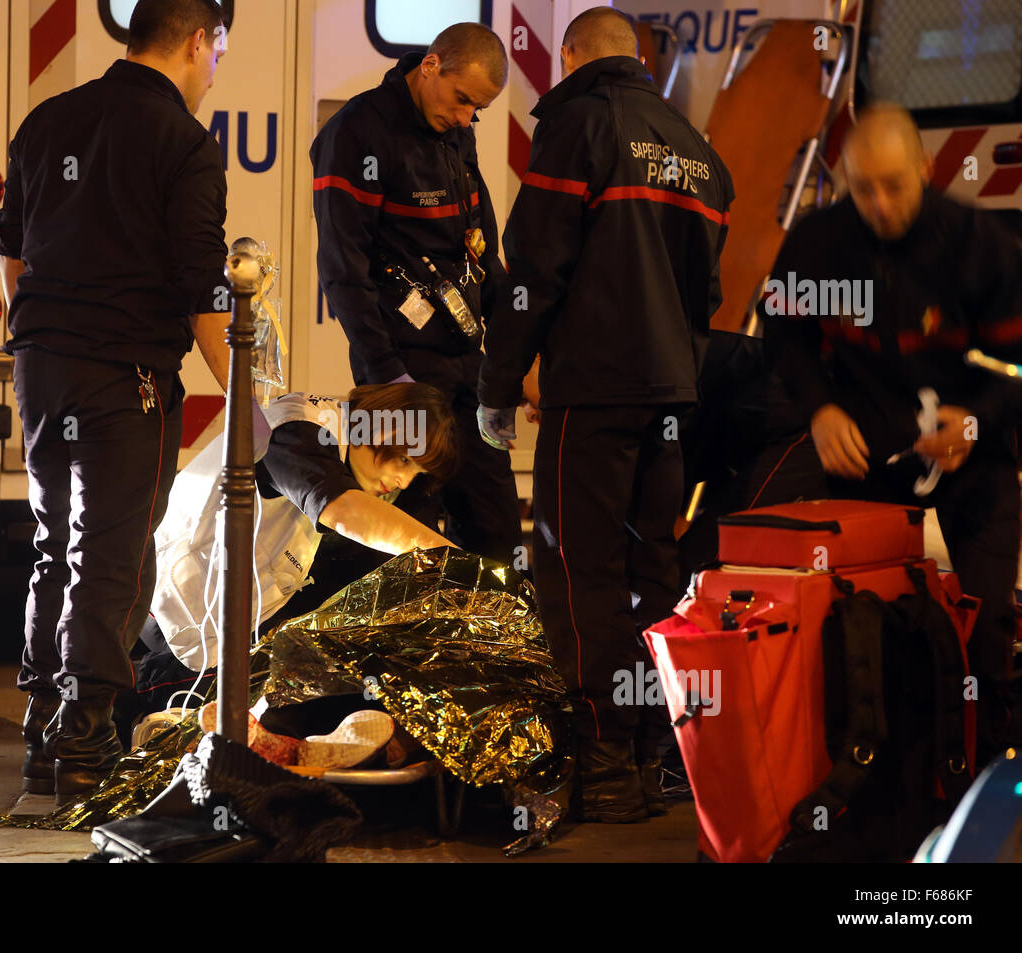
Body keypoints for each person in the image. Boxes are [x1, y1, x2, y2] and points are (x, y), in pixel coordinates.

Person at [476, 6, 734, 823]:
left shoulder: (579, 127)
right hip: (672, 401)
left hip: (591, 396)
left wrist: (498, 380)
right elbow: (708, 296)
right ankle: (661, 752)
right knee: (652, 571)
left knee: (577, 572)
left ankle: (605, 764)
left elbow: (533, 276)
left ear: (574, 54)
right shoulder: (699, 154)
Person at [0, 0, 234, 805]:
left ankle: (41, 728)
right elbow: (206, 292)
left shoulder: (48, 118)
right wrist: (251, 401)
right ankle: (87, 737)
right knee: (113, 554)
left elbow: (12, 254)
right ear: (198, 41)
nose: (214, 70)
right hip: (124, 374)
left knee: (53, 541)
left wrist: (35, 342)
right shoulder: (186, 145)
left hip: (42, 367)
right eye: (218, 51)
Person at [764, 103, 1022, 765]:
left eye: (893, 185)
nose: (878, 203)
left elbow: (1018, 366)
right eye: (862, 188)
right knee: (867, 629)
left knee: (985, 622)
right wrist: (818, 408)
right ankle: (884, 775)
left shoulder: (981, 247)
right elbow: (785, 338)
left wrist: (976, 418)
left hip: (976, 461)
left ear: (926, 170)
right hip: (866, 464)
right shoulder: (820, 245)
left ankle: (988, 771)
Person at [119, 382, 459, 734]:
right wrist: (458, 564)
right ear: (384, 429)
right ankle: (142, 700)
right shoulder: (299, 430)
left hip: (225, 610)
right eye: (404, 460)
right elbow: (345, 513)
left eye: (416, 472)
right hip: (177, 614)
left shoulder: (342, 450)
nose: (404, 480)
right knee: (302, 701)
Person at [310, 22, 521, 565]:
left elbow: (479, 246)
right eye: (462, 100)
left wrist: (514, 356)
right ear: (430, 66)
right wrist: (387, 378)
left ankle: (498, 649)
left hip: (467, 364)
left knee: (495, 526)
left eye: (478, 109)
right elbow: (342, 267)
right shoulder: (356, 132)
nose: (466, 117)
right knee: (405, 540)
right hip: (398, 369)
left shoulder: (456, 130)